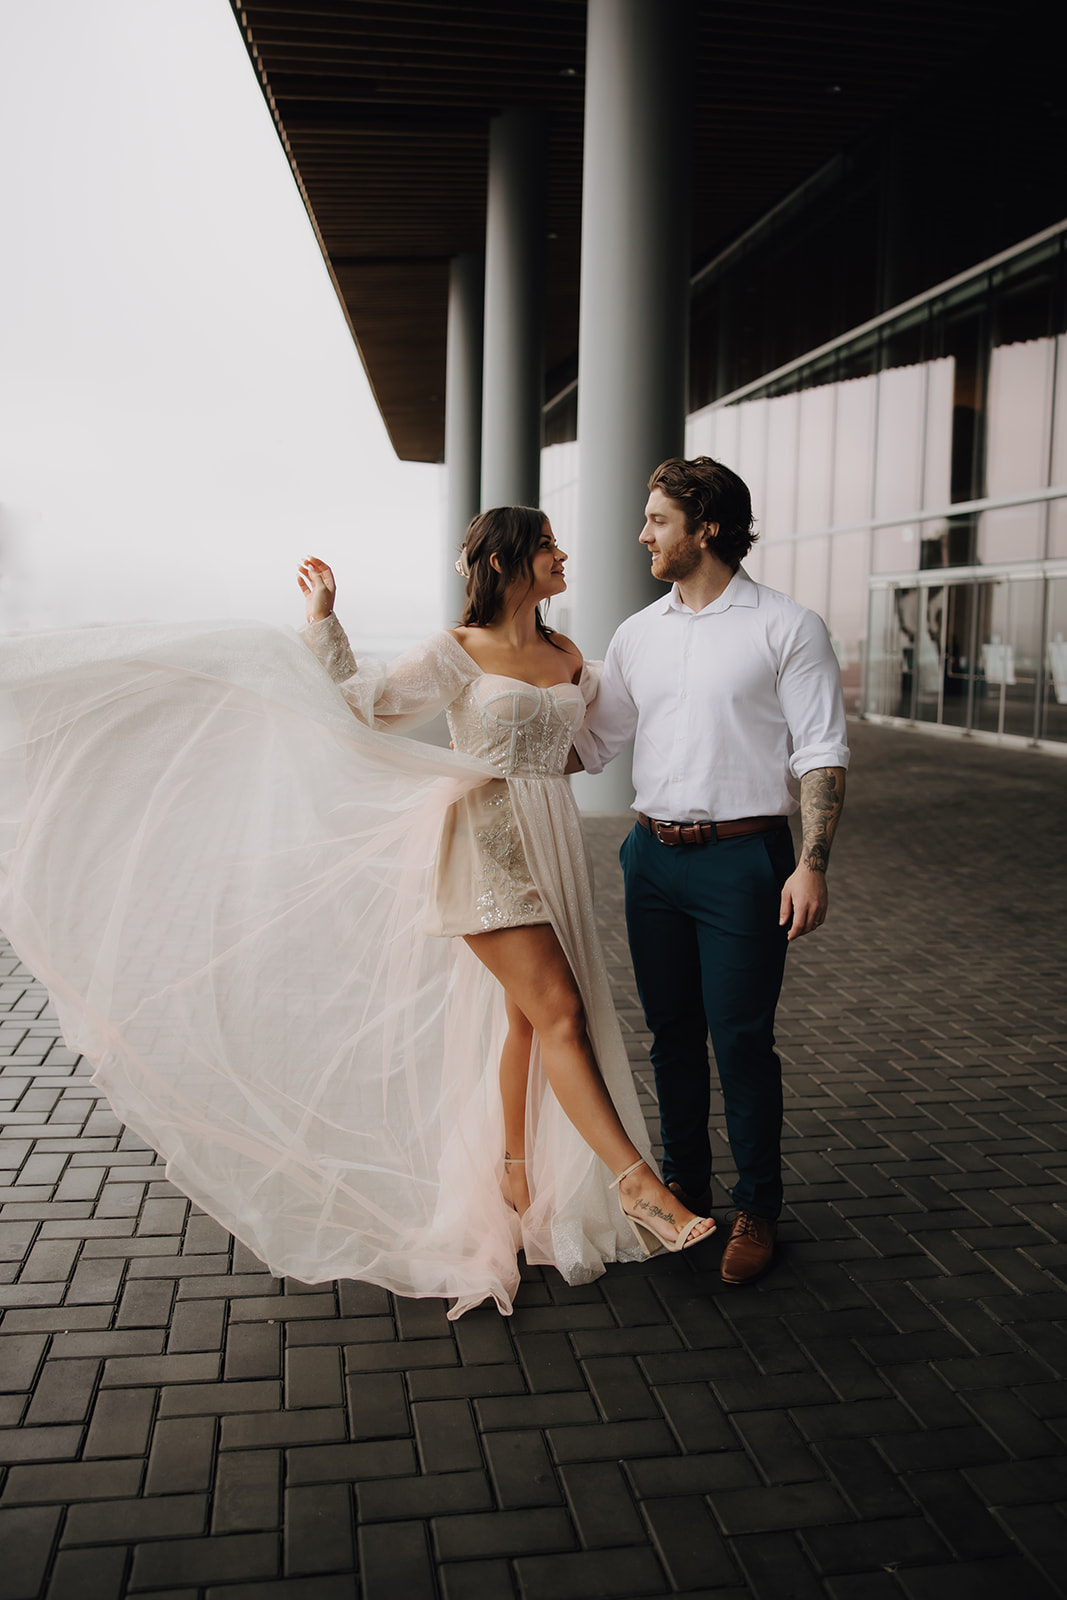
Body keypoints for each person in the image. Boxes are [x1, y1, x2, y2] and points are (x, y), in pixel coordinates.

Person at [0, 504, 711, 1323]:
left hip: (551, 839)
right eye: (547, 546)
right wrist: (323, 625)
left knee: (523, 1020)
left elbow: (586, 746)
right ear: (509, 563)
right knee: (560, 1012)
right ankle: (641, 1191)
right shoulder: (456, 650)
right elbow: (360, 707)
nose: (563, 557)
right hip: (483, 844)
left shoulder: (565, 653)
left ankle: (514, 1175)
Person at [573, 457, 849, 1285]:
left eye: (658, 520)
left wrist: (810, 863)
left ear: (709, 528)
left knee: (738, 1040)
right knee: (669, 1038)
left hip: (745, 861)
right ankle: (685, 1191)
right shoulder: (636, 633)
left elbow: (822, 753)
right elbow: (593, 745)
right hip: (649, 858)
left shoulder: (786, 626)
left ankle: (756, 1208)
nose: (642, 535)